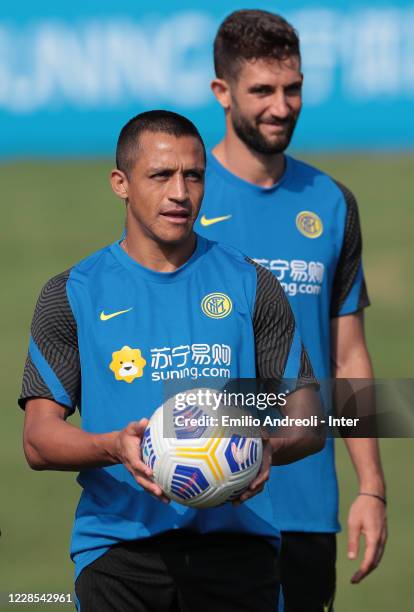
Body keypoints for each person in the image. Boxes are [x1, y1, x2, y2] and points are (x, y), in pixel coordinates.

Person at [19, 110, 323, 612]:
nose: (181, 193)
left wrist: (268, 445)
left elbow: (308, 412)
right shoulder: (71, 293)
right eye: (161, 175)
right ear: (121, 183)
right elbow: (38, 440)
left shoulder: (251, 284)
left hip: (238, 552)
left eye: (194, 175)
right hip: (118, 554)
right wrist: (114, 446)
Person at [195, 10, 387, 611]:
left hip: (306, 507)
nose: (282, 106)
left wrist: (372, 487)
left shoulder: (331, 203)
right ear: (222, 93)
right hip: (203, 499)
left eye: (293, 88)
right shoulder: (182, 192)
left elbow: (347, 354)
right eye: (262, 91)